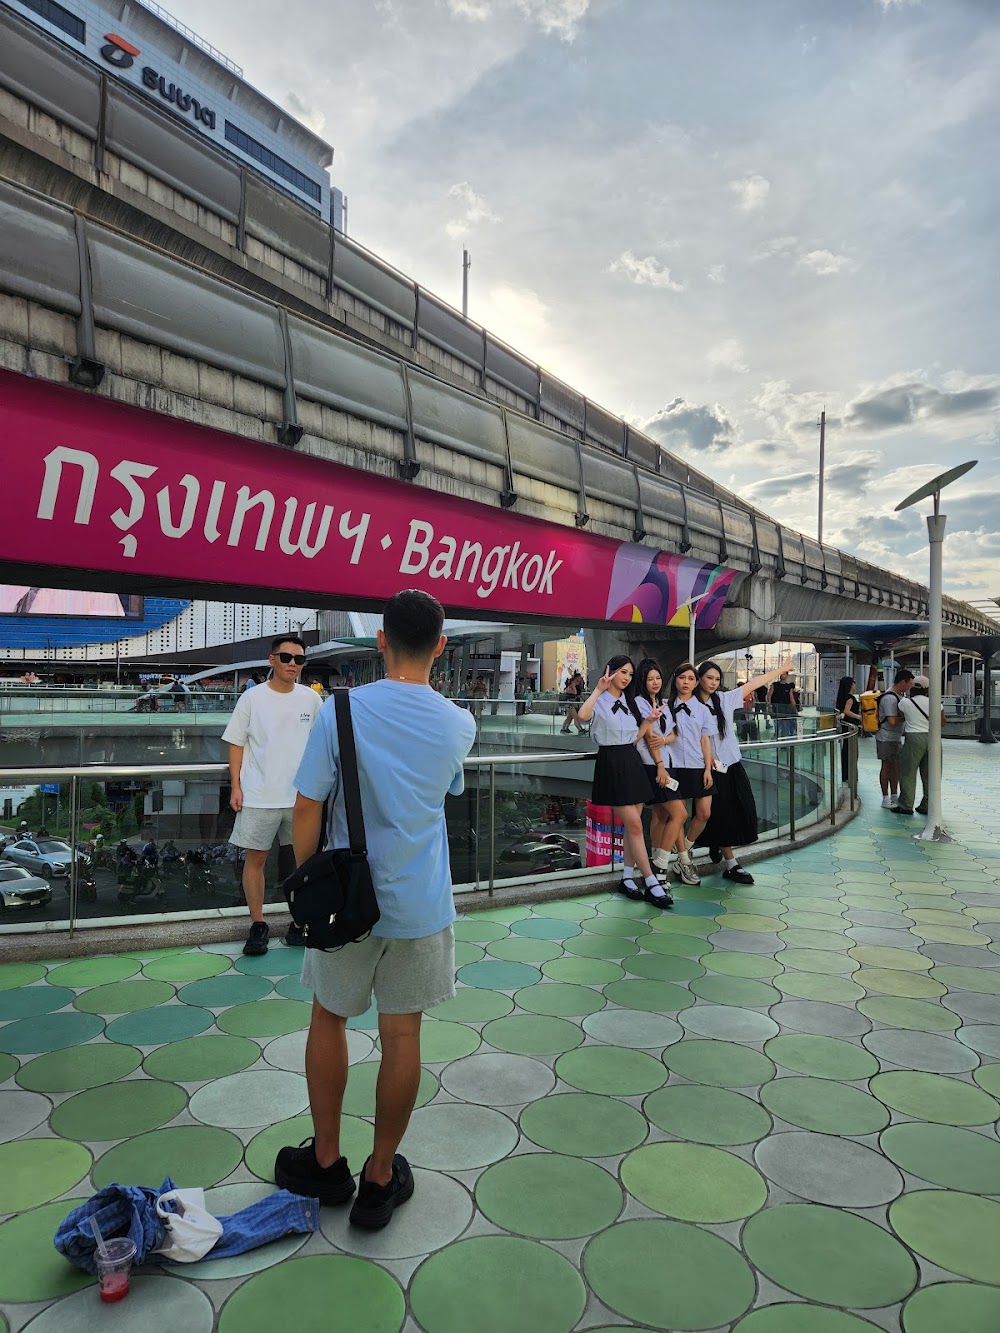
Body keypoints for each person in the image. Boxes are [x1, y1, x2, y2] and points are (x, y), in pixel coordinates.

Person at [274, 590, 476, 1230]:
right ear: (440, 646)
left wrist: (309, 883)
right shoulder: (458, 723)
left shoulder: (339, 712)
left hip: (345, 905)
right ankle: (381, 1176)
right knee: (403, 1034)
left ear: (381, 639)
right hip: (420, 902)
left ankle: (328, 1162)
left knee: (328, 1019)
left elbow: (307, 805)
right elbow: (444, 792)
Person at [222, 635, 321, 955]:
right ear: (272, 660)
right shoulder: (252, 698)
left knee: (302, 864)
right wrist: (236, 786)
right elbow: (236, 743)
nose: (293, 664)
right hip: (259, 795)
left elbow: (322, 745)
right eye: (286, 657)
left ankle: (300, 923)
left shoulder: (311, 700)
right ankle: (258, 924)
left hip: (301, 798)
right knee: (257, 861)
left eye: (299, 659)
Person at [576, 656, 673, 907]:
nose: (627, 677)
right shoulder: (600, 699)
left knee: (634, 826)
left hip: (631, 761)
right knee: (635, 825)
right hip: (610, 763)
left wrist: (649, 721)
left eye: (630, 673)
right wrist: (598, 688)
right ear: (610, 672)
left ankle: (628, 877)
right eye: (622, 672)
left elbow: (633, 738)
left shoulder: (628, 701)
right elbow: (582, 717)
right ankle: (651, 882)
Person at [693, 657, 795, 884]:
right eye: (709, 678)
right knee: (716, 813)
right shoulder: (691, 704)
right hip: (707, 768)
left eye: (717, 679)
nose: (712, 683)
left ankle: (717, 847)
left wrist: (781, 669)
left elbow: (754, 683)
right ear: (699, 679)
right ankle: (730, 863)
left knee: (741, 808)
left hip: (731, 764)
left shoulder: (724, 699)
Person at [649, 662, 714, 886]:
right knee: (677, 815)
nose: (686, 682)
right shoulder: (664, 707)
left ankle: (682, 853)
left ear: (696, 683)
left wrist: (707, 768)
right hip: (674, 766)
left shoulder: (703, 710)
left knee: (703, 813)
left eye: (690, 679)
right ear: (675, 680)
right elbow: (659, 735)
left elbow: (705, 740)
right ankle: (683, 860)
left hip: (697, 766)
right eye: (682, 678)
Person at [629, 658, 682, 903]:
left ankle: (653, 860)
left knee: (661, 815)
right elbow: (649, 736)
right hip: (653, 765)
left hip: (667, 762)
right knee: (679, 814)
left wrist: (665, 741)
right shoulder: (639, 702)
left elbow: (672, 733)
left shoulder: (663, 702)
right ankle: (660, 866)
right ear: (642, 681)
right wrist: (660, 765)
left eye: (658, 678)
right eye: (650, 679)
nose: (655, 682)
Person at [895, 676, 938, 815]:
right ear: (927, 689)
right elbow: (942, 721)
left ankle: (906, 805)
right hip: (933, 737)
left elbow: (900, 715)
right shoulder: (935, 702)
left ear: (912, 688)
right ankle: (927, 805)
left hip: (913, 737)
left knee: (907, 772)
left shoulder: (905, 702)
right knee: (930, 773)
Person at [876, 668, 914, 809]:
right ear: (903, 682)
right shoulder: (890, 698)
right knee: (887, 766)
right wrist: (905, 717)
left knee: (894, 767)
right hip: (886, 737)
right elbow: (892, 721)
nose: (911, 686)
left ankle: (893, 796)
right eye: (910, 683)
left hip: (894, 737)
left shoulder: (897, 696)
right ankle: (886, 798)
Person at [835, 676, 862, 783]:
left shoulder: (843, 697)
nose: (855, 685)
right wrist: (858, 717)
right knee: (852, 750)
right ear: (850, 685)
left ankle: (846, 774)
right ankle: (850, 774)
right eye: (853, 683)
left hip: (846, 726)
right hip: (851, 725)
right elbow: (847, 711)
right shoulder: (850, 698)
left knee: (846, 750)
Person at [767, 671, 800, 740]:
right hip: (776, 708)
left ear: (787, 675)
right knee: (777, 724)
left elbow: (791, 699)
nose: (782, 675)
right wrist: (769, 706)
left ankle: (783, 739)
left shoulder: (788, 687)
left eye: (784, 674)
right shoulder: (775, 685)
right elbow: (769, 696)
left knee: (785, 725)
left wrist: (795, 709)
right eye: (781, 674)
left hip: (785, 709)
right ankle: (777, 737)